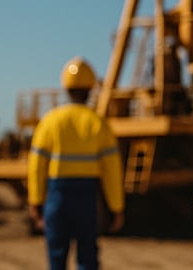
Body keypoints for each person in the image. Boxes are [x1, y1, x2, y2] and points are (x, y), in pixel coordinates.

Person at [28, 57, 125, 270]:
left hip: (57, 196)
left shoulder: (50, 121)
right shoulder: (98, 123)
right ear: (91, 88)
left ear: (65, 88)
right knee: (87, 258)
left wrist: (35, 201)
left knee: (56, 257)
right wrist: (116, 207)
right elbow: (112, 170)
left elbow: (37, 166)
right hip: (86, 197)